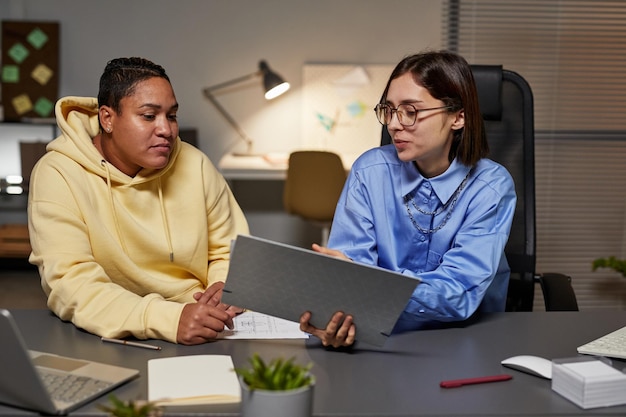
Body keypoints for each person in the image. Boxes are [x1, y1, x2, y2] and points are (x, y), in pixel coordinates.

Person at [300, 50, 517, 348]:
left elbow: (460, 291)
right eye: (389, 110)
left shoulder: (491, 186)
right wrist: (339, 316)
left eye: (411, 111)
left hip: (467, 341)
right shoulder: (370, 171)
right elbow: (348, 275)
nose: (394, 124)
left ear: (458, 116)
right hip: (380, 337)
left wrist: (367, 285)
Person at [27, 57, 249, 345]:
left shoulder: (196, 165)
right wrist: (167, 319)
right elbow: (72, 284)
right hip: (107, 327)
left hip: (203, 321)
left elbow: (231, 250)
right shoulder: (58, 173)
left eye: (171, 116)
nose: (166, 130)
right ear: (107, 119)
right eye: (148, 116)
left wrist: (225, 286)